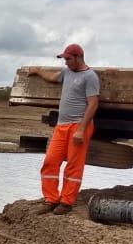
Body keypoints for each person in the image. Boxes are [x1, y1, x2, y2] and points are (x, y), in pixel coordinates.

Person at [27, 43, 100, 215]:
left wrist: (81, 129)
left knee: (73, 166)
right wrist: (37, 71)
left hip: (78, 126)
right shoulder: (67, 72)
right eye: (64, 59)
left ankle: (67, 202)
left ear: (78, 57)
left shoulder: (90, 77)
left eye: (68, 59)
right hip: (61, 126)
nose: (65, 62)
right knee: (50, 161)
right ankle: (50, 199)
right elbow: (53, 77)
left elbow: (93, 103)